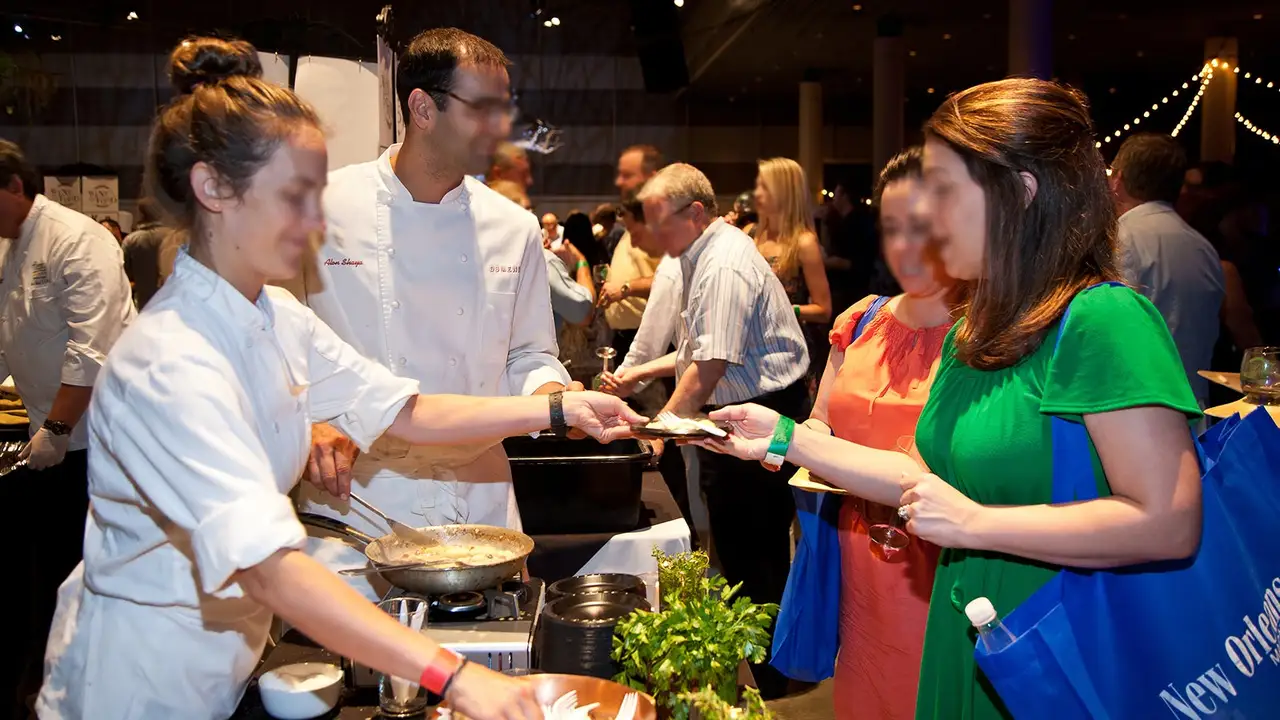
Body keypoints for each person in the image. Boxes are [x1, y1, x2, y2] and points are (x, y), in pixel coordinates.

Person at [36, 36, 643, 720]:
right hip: (138, 685)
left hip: (225, 665)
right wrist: (460, 678)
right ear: (212, 189)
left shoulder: (274, 316)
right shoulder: (166, 363)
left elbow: (407, 412)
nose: (319, 222)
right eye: (297, 196)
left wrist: (560, 412)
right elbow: (269, 565)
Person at [696, 79, 1202, 719]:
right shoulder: (982, 326)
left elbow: (1168, 521)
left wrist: (977, 524)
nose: (928, 218)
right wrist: (784, 436)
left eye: (944, 190)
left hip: (1054, 641)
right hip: (965, 627)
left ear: (1019, 192)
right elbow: (925, 478)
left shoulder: (1105, 318)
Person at [298, 28, 580, 594]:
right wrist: (306, 421)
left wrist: (557, 399)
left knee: (480, 666)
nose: (501, 129)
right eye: (484, 109)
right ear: (422, 107)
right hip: (359, 492)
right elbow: (276, 340)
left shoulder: (514, 227)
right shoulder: (321, 209)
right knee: (357, 669)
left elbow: (529, 353)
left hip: (478, 493)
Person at [621, 163, 810, 699]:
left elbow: (709, 367)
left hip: (760, 412)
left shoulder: (723, 263)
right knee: (736, 541)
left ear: (696, 212)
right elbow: (698, 347)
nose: (655, 237)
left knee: (755, 545)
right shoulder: (700, 254)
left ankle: (770, 677)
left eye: (662, 223)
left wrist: (660, 431)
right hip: (738, 408)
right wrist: (642, 373)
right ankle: (758, 663)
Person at [800, 147, 958, 720]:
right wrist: (801, 444)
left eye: (920, 226)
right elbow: (821, 421)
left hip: (938, 566)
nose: (903, 246)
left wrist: (786, 440)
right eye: (891, 227)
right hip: (856, 551)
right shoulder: (862, 319)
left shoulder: (985, 339)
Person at [0, 139, 135, 719]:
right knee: (49, 565)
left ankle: (90, 684)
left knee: (86, 565)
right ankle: (51, 677)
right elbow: (11, 333)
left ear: (12, 185)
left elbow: (92, 347)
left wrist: (56, 429)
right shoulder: (9, 245)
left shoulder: (76, 236)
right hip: (45, 427)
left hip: (99, 434)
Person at [1110, 133, 1224, 411]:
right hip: (1193, 406)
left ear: (1118, 179)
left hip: (1134, 410)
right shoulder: (1204, 249)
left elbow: (1106, 335)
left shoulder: (1119, 239)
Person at [752, 157, 833, 389]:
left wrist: (784, 310)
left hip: (790, 352)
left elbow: (823, 310)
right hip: (753, 351)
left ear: (784, 192)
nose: (757, 193)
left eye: (764, 187)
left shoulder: (803, 243)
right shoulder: (752, 235)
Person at [599, 196, 664, 365]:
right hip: (625, 334)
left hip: (649, 334)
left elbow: (668, 281)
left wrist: (625, 288)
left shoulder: (663, 240)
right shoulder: (629, 232)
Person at [121, 197, 170, 309]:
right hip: (172, 303)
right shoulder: (173, 237)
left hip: (144, 305)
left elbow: (124, 275)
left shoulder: (131, 240)